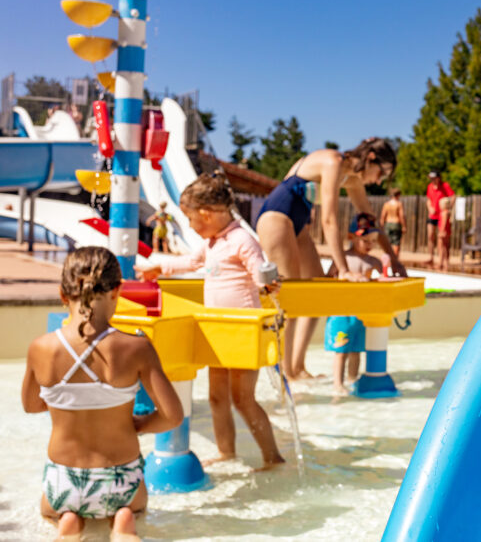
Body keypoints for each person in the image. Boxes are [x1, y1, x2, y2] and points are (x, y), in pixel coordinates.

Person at [22, 246, 183, 541]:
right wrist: (138, 423)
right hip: (122, 483)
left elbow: (32, 405)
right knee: (130, 511)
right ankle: (122, 521)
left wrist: (69, 403)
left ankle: (69, 520)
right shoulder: (136, 347)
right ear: (118, 291)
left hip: (63, 481)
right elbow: (173, 417)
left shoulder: (41, 347)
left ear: (62, 294)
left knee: (53, 513)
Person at [142, 173, 284, 470]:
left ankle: (273, 457)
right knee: (217, 397)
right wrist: (160, 267)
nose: (191, 226)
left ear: (205, 214)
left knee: (243, 398)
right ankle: (226, 452)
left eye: (190, 219)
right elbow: (192, 263)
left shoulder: (241, 240)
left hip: (243, 330)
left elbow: (260, 273)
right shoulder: (212, 243)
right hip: (217, 328)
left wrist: (268, 281)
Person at [255, 140, 406, 381]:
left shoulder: (353, 180)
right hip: (276, 218)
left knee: (315, 295)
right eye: (381, 173)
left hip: (297, 225)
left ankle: (297, 368)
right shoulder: (332, 162)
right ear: (371, 159)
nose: (378, 181)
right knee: (289, 298)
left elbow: (371, 223)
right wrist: (344, 269)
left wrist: (394, 260)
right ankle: (283, 374)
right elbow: (329, 220)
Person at [324, 226, 389, 392]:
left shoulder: (372, 261)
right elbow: (328, 278)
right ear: (351, 237)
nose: (369, 244)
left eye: (373, 241)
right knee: (341, 351)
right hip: (341, 312)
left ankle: (352, 380)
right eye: (365, 240)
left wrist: (386, 266)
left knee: (356, 350)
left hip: (361, 313)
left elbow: (384, 278)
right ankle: (338, 384)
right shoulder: (343, 259)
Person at [425, 170, 454, 268]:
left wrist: (449, 207)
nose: (432, 180)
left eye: (434, 178)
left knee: (443, 240)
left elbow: (453, 196)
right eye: (431, 178)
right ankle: (431, 257)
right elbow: (428, 200)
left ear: (438, 178)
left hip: (442, 216)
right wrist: (430, 208)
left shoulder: (445, 186)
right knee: (430, 236)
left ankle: (444, 261)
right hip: (432, 215)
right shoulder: (430, 187)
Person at [379, 187, 407, 262]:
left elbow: (382, 216)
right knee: (396, 243)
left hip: (388, 224)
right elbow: (401, 216)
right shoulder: (399, 204)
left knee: (387, 243)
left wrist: (381, 226)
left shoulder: (386, 204)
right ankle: (395, 261)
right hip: (396, 224)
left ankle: (387, 260)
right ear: (398, 195)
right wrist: (404, 226)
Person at [437, 195, 454, 272]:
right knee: (446, 247)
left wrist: (441, 231)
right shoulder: (448, 212)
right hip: (447, 231)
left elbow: (443, 223)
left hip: (443, 231)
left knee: (441, 247)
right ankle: (446, 263)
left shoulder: (444, 213)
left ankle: (441, 263)